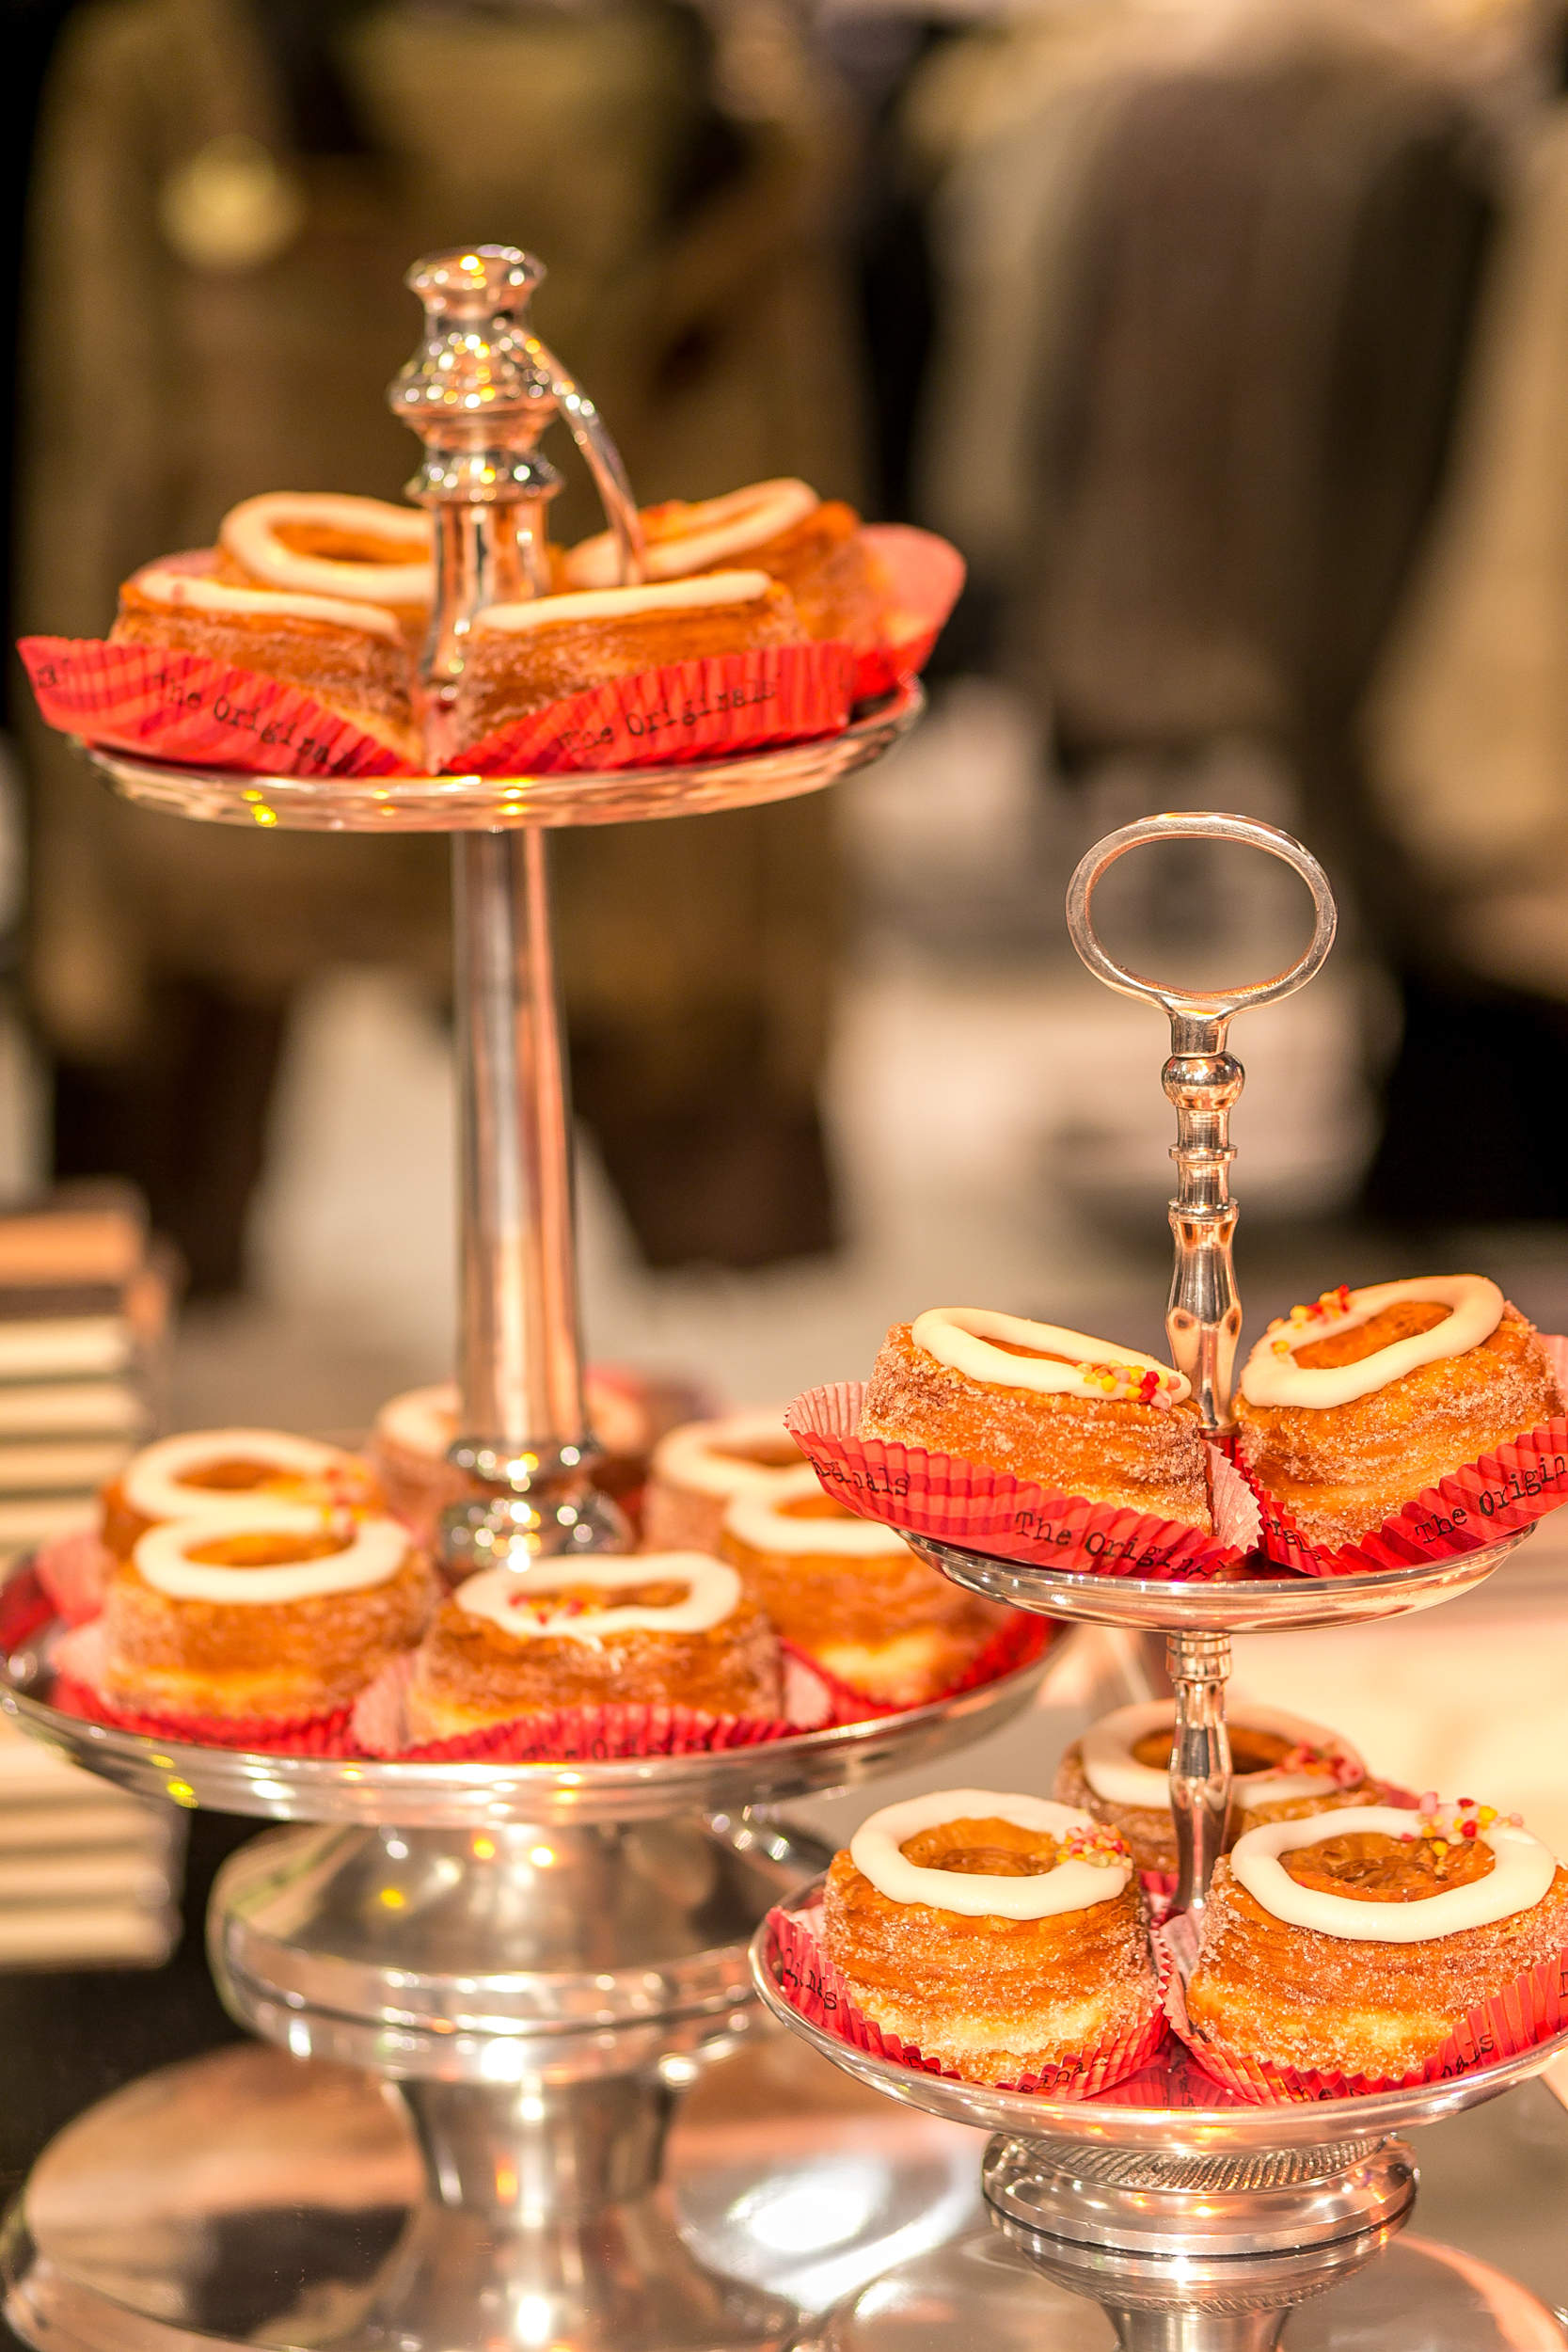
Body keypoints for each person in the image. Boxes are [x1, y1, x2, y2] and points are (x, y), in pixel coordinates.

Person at [17, 0, 867, 1291]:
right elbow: (97, 452)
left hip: (609, 740)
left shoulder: (734, 102)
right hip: (286, 732)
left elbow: (100, 460)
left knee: (715, 1323)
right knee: (157, 1281)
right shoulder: (183, 73)